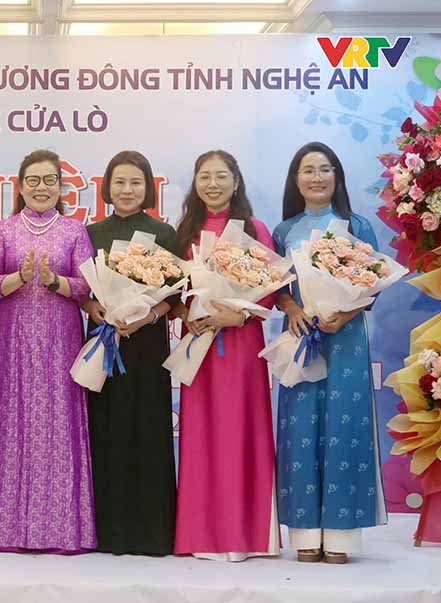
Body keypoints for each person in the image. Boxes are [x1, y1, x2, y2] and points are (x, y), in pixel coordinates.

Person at [272, 141, 388, 564]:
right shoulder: (284, 231)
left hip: (347, 339)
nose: (316, 177)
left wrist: (346, 312)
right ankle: (305, 533)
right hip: (301, 336)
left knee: (345, 427)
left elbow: (374, 284)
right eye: (308, 170)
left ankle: (341, 536)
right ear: (296, 179)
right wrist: (292, 308)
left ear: (337, 176)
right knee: (300, 428)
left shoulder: (357, 225)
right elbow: (276, 287)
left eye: (324, 169)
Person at [0, 149, 96, 554]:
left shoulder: (74, 231)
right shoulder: (4, 230)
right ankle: (9, 529)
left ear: (61, 187)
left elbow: (86, 285)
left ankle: (61, 530)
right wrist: (21, 276)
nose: (41, 187)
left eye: (49, 180)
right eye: (33, 180)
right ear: (20, 186)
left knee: (59, 421)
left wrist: (52, 281)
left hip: (61, 337)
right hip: (13, 338)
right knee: (14, 420)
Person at [171, 150, 279, 561]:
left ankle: (245, 535)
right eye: (204, 176)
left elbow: (270, 287)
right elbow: (171, 289)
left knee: (240, 430)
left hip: (241, 342)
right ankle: (201, 534)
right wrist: (187, 313)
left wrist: (240, 313)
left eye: (221, 176)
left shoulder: (254, 229)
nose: (212, 184)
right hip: (199, 342)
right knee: (201, 433)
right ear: (195, 183)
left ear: (236, 182)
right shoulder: (185, 230)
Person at [82, 150, 178, 556]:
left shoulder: (164, 233)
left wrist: (147, 315)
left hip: (147, 344)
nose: (127, 190)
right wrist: (92, 306)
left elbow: (175, 294)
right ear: (107, 187)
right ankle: (109, 533)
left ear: (148, 187)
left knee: (148, 429)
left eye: (135, 182)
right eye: (119, 182)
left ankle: (152, 534)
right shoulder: (90, 233)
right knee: (107, 429)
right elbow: (80, 288)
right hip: (105, 340)